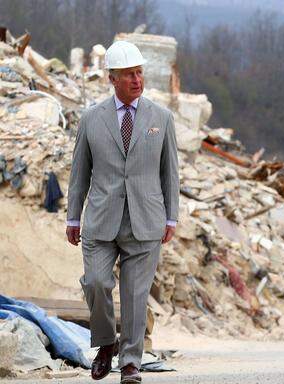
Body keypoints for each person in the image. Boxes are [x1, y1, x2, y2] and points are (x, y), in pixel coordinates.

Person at [66, 40, 179, 384]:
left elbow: (169, 171)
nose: (137, 80)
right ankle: (104, 343)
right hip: (101, 218)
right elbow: (79, 171)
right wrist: (73, 216)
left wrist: (171, 217)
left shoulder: (161, 117)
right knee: (97, 283)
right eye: (129, 74)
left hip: (146, 220)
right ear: (112, 79)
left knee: (134, 296)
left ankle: (130, 363)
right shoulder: (91, 119)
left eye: (139, 73)